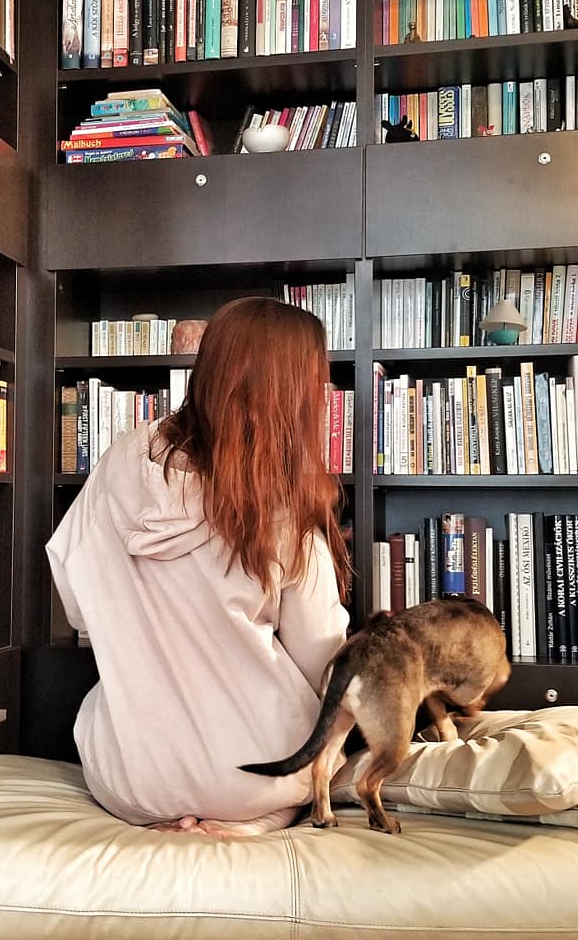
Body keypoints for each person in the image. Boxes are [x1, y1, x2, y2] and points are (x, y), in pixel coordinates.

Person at [46, 296, 351, 837]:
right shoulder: (281, 500)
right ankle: (258, 819)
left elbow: (77, 606)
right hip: (256, 777)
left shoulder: (118, 460)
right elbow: (324, 663)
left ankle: (191, 815)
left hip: (129, 780)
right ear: (291, 394)